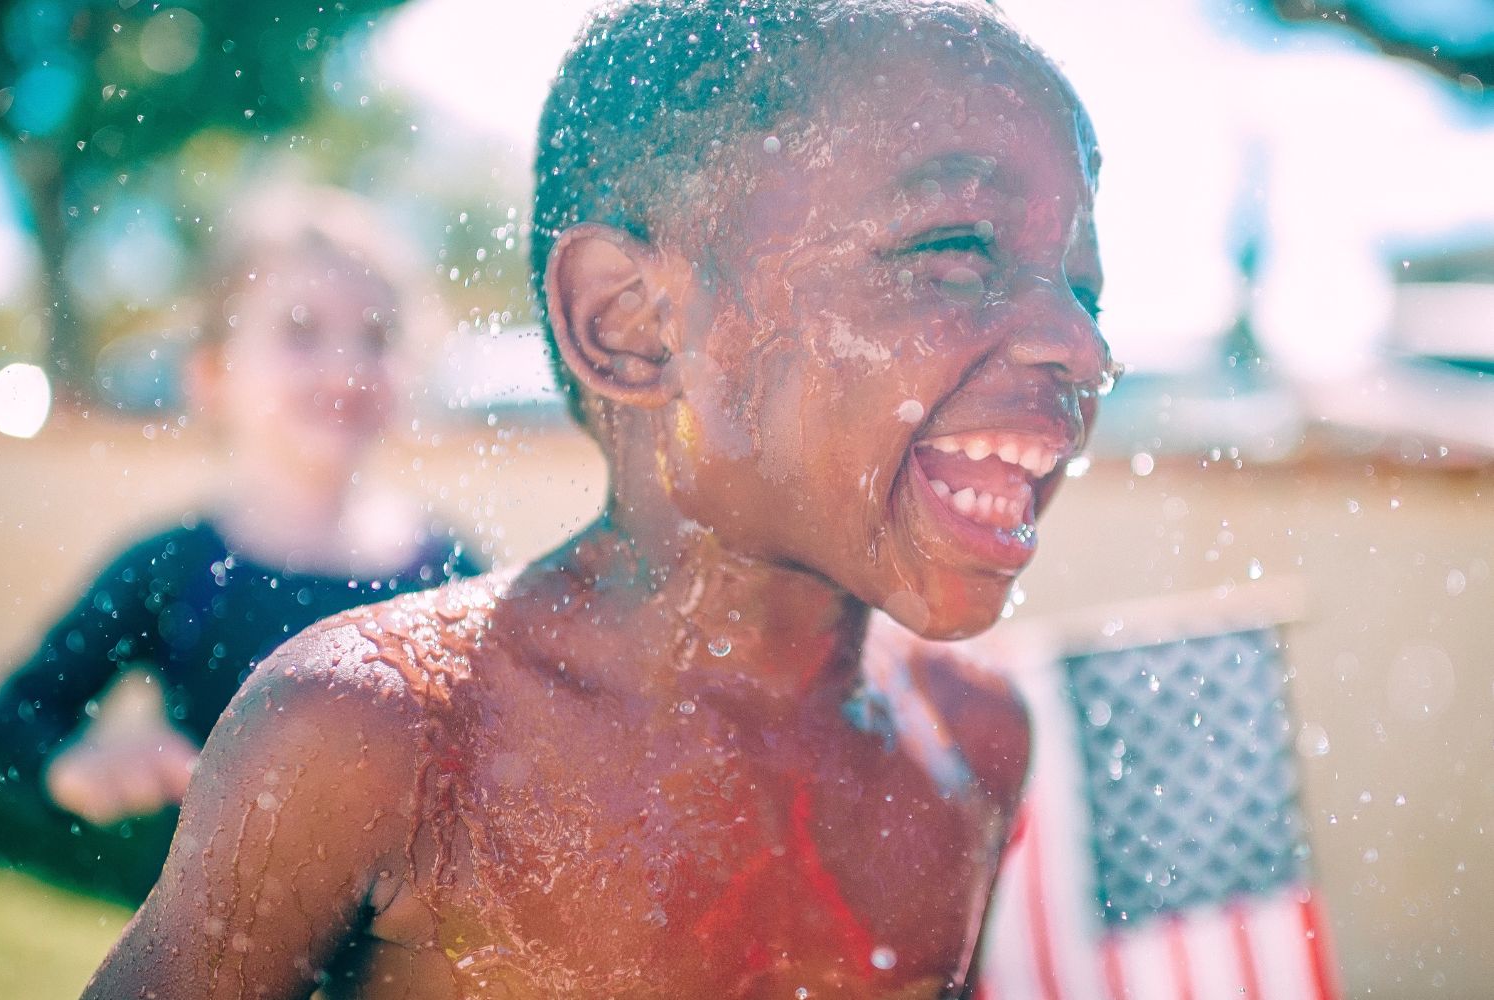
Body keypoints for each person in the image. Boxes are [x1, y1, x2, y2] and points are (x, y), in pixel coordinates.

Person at [85, 1, 1114, 995]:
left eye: (1083, 285)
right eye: (954, 250)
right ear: (630, 322)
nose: (1083, 345)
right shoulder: (384, 737)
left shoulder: (973, 740)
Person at [0, 182, 480, 905]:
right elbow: (14, 723)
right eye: (301, 330)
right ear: (214, 375)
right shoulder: (175, 570)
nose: (345, 367)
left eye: (375, 337)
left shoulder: (448, 575)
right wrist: (70, 767)